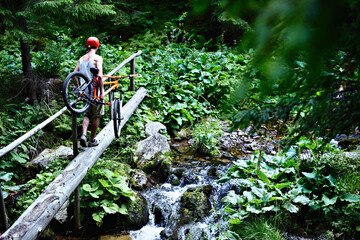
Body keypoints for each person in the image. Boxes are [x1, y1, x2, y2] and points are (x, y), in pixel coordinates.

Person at [74, 36, 105, 147]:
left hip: (84, 91)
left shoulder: (81, 59)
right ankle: (92, 140)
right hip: (95, 91)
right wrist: (102, 92)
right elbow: (100, 76)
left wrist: (78, 88)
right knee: (96, 115)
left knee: (87, 114)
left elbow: (74, 75)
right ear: (97, 46)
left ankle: (83, 135)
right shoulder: (97, 58)